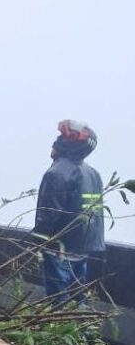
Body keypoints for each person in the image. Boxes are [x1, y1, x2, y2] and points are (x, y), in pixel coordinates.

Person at [32, 119, 105, 306]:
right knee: (78, 297)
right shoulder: (93, 173)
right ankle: (83, 331)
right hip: (83, 248)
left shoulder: (57, 173)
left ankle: (58, 329)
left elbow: (49, 213)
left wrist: (38, 242)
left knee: (59, 301)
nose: (54, 143)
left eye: (59, 138)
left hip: (60, 249)